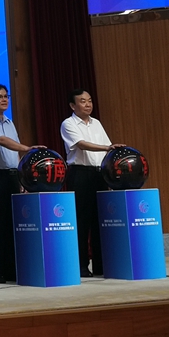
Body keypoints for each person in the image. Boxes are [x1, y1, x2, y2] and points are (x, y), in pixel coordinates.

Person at [0, 84, 43, 284]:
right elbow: (2, 141)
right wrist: (27, 148)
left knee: (13, 223)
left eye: (6, 96)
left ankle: (11, 269)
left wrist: (21, 177)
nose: (4, 99)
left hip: (12, 175)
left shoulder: (10, 122)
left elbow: (14, 154)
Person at [60, 88, 124, 278]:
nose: (88, 104)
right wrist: (107, 147)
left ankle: (100, 265)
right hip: (80, 174)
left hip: (99, 174)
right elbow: (81, 144)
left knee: (100, 220)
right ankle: (81, 265)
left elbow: (107, 149)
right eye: (82, 101)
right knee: (82, 221)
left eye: (89, 100)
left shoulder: (96, 123)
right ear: (73, 105)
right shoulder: (68, 123)